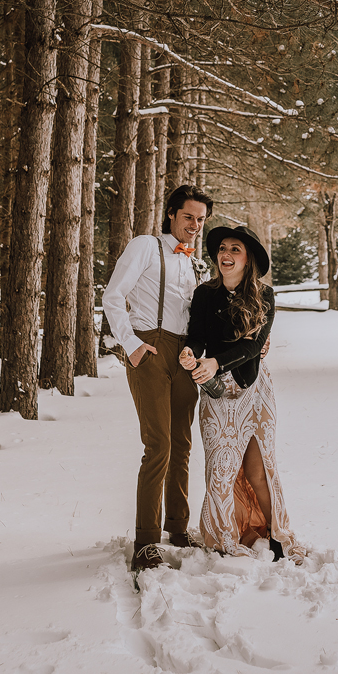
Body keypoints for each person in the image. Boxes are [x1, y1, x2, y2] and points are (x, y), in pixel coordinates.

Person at [102, 184, 213, 573]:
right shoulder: (146, 246)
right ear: (171, 214)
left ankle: (178, 529)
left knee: (182, 444)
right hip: (149, 348)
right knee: (159, 444)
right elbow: (113, 295)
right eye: (188, 217)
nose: (194, 225)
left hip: (184, 354)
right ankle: (146, 541)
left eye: (200, 220)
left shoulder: (195, 263)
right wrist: (130, 344)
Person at [179, 225, 305, 563]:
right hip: (216, 393)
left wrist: (215, 362)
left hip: (253, 390)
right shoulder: (205, 294)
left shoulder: (264, 295)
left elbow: (253, 346)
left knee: (258, 469)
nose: (226, 254)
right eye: (222, 248)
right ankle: (224, 536)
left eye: (235, 249)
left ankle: (277, 535)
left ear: (248, 258)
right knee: (220, 470)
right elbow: (197, 335)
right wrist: (191, 353)